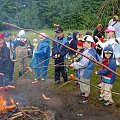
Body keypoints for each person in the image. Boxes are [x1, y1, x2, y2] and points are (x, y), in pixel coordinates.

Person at [70, 35, 99, 103]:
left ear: (89, 43)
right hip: (84, 70)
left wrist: (74, 64)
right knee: (82, 82)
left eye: (84, 42)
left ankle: (86, 97)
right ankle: (83, 93)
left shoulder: (89, 53)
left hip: (86, 71)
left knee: (85, 83)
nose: (83, 44)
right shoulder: (88, 50)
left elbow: (83, 64)